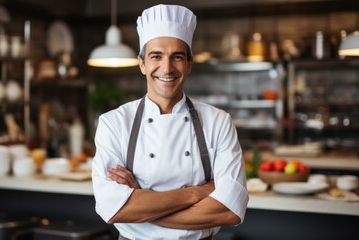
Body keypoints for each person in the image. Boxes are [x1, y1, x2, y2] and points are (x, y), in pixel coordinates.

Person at [92, 4, 249, 240]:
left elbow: (229, 211)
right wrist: (198, 193)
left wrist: (140, 205)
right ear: (142, 64)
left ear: (189, 64)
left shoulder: (218, 121)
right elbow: (111, 207)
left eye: (177, 57)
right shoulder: (114, 123)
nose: (166, 68)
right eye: (156, 56)